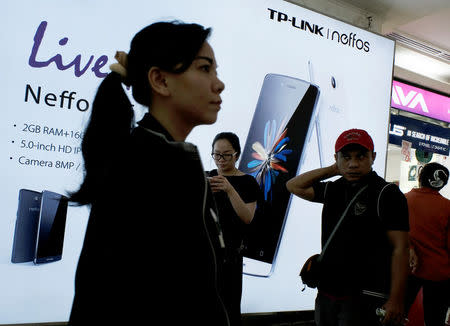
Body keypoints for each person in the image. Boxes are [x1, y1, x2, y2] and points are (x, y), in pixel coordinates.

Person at [68, 21, 228, 325]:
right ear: (161, 80)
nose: (218, 84)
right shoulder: (153, 164)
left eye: (215, 71)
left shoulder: (153, 156)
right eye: (204, 69)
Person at [286, 128, 410, 326]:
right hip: (327, 291)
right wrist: (333, 170)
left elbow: (401, 249)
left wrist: (396, 299)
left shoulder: (387, 193)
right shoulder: (334, 188)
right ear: (336, 158)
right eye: (346, 157)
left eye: (361, 157)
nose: (353, 164)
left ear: (373, 157)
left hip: (364, 296)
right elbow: (294, 186)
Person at [207, 132, 261, 326]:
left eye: (226, 155)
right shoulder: (206, 177)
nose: (220, 160)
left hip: (230, 255)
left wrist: (229, 189)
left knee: (229, 308)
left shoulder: (248, 182)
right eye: (216, 154)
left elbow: (247, 217)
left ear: (236, 154)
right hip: (206, 252)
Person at [404, 162, 450, 326]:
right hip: (439, 274)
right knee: (435, 320)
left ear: (419, 177)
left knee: (397, 314)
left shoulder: (404, 200)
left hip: (408, 269)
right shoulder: (447, 207)